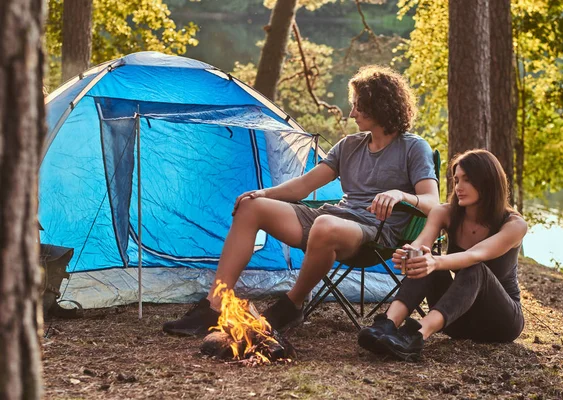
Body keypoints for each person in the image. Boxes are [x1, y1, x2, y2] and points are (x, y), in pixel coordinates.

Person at [163, 65, 439, 336]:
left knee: (326, 225)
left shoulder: (413, 147)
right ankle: (216, 304)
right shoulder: (350, 145)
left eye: (358, 106)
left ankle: (291, 305)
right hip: (334, 217)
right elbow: (304, 186)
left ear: (379, 107)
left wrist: (399, 194)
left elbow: (432, 202)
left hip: (375, 232)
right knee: (250, 207)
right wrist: (262, 193)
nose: (352, 112)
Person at [357, 149, 527, 361]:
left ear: (488, 181)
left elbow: (477, 254)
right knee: (423, 256)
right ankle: (387, 324)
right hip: (457, 319)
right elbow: (422, 243)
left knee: (473, 267)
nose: (458, 187)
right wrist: (410, 254)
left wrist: (434, 262)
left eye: (467, 180)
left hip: (500, 322)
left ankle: (416, 335)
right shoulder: (444, 213)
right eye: (456, 180)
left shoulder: (514, 225)